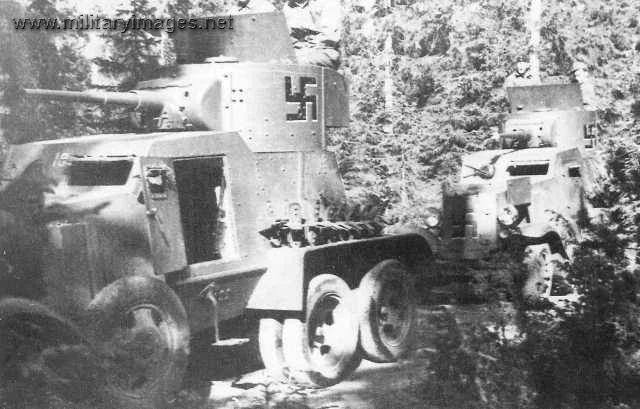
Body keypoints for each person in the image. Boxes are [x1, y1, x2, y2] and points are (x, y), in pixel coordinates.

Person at [282, 0, 342, 69]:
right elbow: (287, 38)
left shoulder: (329, 2)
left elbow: (328, 38)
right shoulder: (289, 5)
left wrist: (301, 55)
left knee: (294, 63)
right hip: (297, 53)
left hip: (323, 51)